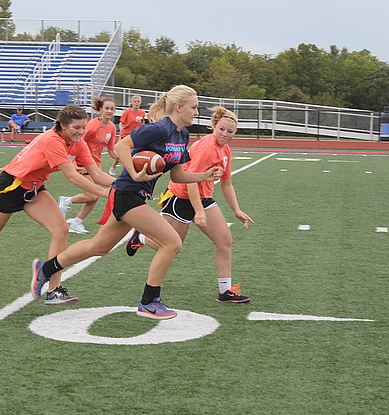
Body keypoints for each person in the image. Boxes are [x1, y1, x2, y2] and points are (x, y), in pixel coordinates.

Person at [30, 85, 222, 320]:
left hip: (135, 195)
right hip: (127, 193)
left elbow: (177, 175)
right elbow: (123, 146)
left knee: (98, 247)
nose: (196, 111)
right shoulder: (160, 128)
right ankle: (149, 302)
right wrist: (133, 172)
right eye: (193, 107)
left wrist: (203, 176)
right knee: (171, 242)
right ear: (179, 107)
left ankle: (45, 268)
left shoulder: (181, 135)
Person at [0, 104, 110, 306]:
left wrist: (122, 185)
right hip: (10, 186)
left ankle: (54, 289)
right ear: (62, 125)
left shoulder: (78, 142)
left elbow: (96, 173)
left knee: (61, 228)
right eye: (76, 127)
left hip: (33, 188)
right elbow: (72, 176)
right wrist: (105, 193)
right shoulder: (52, 140)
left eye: (83, 127)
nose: (80, 132)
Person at [126, 106, 253, 303]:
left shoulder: (225, 149)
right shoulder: (206, 147)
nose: (225, 134)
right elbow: (189, 179)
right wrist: (199, 211)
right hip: (180, 198)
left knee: (225, 241)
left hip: (203, 198)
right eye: (222, 129)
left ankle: (225, 291)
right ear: (214, 126)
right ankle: (141, 238)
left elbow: (226, 183)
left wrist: (237, 210)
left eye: (230, 131)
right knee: (172, 246)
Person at [58, 96, 120, 234]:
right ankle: (67, 202)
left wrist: (121, 158)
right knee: (93, 195)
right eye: (107, 108)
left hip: (95, 165)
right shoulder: (92, 125)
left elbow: (110, 149)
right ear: (101, 109)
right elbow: (77, 141)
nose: (109, 111)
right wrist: (73, 162)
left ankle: (76, 221)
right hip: (83, 163)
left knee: (93, 197)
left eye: (112, 109)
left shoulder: (111, 127)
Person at [110, 95, 146, 175]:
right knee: (122, 153)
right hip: (126, 134)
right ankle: (113, 167)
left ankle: (130, 169)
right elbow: (121, 122)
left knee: (134, 153)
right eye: (135, 101)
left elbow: (142, 123)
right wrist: (121, 128)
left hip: (135, 136)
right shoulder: (127, 112)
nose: (137, 103)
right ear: (132, 102)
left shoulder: (142, 113)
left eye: (138, 102)